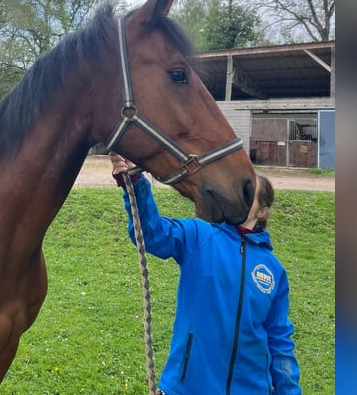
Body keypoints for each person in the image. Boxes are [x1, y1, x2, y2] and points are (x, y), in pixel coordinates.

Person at [110, 152, 301, 395]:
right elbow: (152, 234)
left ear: (262, 211)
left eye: (248, 188)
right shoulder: (200, 236)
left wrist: (288, 389)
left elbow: (279, 336)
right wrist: (135, 183)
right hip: (189, 387)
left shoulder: (273, 270)